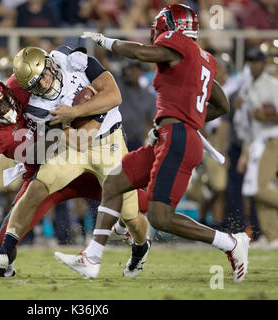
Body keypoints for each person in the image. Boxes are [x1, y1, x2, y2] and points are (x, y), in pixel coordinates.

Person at [55, 4, 250, 283]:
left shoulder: (177, 44)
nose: (155, 31)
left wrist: (107, 41)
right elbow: (221, 104)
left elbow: (140, 53)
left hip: (177, 138)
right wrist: (186, 120)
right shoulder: (203, 58)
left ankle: (230, 242)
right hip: (171, 136)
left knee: (160, 217)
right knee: (114, 182)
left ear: (173, 26)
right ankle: (92, 258)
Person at [0, 45, 150, 279]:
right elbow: (78, 141)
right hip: (74, 148)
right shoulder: (36, 108)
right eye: (35, 84)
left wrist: (75, 112)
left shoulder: (71, 60)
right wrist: (84, 113)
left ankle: (141, 246)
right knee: (37, 187)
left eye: (44, 76)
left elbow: (114, 96)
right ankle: (5, 252)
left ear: (51, 64)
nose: (44, 85)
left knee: (132, 216)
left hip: (110, 143)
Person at [236, 47, 278, 249]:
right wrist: (245, 152)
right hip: (258, 142)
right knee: (255, 189)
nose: (253, 65)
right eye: (250, 62)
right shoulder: (248, 88)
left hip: (273, 139)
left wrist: (268, 117)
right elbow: (248, 126)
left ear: (264, 63)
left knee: (260, 188)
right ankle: (273, 237)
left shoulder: (272, 85)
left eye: (257, 62)